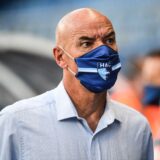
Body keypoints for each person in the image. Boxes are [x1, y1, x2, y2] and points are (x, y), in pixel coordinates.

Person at [0, 8, 153, 160]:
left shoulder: (137, 128)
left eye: (109, 40)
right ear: (60, 57)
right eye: (86, 43)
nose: (103, 52)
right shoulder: (16, 123)